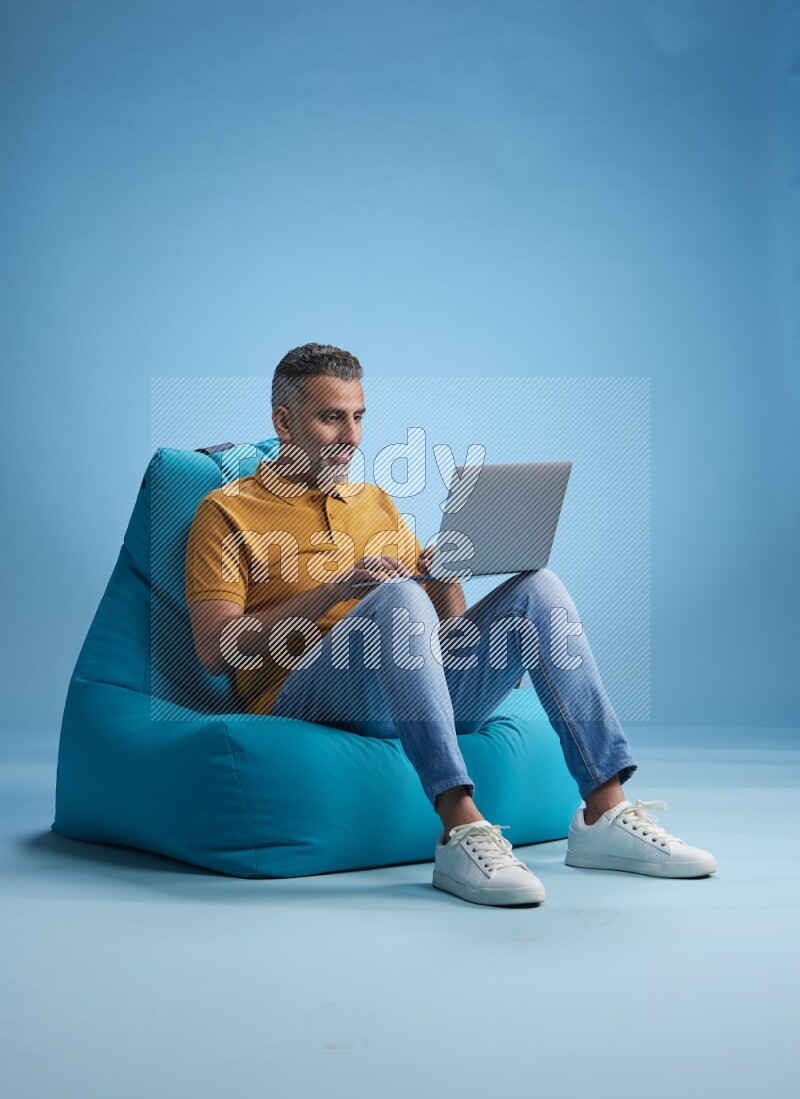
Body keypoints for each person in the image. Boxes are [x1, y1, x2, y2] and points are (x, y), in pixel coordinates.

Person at [185, 342, 717, 907]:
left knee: (540, 587)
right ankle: (459, 827)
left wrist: (444, 579)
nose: (352, 437)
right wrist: (337, 591)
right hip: (305, 695)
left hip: (406, 690)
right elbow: (217, 650)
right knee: (395, 598)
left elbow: (445, 631)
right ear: (284, 422)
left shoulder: (375, 501)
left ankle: (604, 812)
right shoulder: (227, 510)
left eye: (359, 417)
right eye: (331, 417)